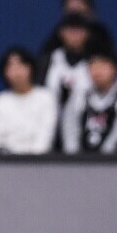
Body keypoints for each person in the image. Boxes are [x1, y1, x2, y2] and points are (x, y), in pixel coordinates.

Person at [62, 48, 117, 154]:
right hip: (80, 161)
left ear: (114, 68)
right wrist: (74, 160)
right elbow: (70, 137)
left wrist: (102, 160)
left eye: (103, 65)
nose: (98, 71)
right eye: (93, 65)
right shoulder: (78, 98)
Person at [0, 47, 56, 155]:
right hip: (4, 162)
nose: (17, 73)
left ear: (30, 68)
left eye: (21, 66)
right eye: (11, 67)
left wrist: (29, 161)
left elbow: (44, 139)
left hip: (37, 162)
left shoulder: (45, 98)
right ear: (5, 73)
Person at [38, 11, 93, 142]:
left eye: (79, 31)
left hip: (85, 127)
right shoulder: (48, 60)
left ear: (87, 34)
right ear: (61, 33)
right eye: (70, 31)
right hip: (48, 125)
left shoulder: (94, 62)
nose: (74, 36)